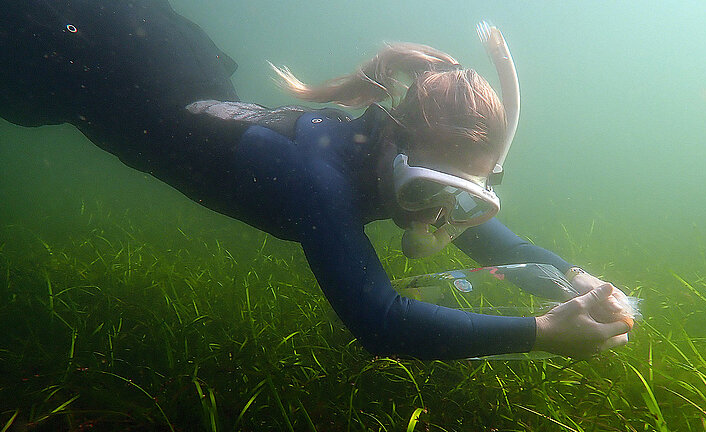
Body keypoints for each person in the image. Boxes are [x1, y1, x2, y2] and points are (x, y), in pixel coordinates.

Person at [1, 0, 631, 360]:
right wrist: (544, 332)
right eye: (428, 193)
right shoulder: (317, 179)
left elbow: (508, 248)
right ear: (391, 143)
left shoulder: (392, 165)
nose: (440, 220)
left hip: (176, 75)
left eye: (463, 201)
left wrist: (581, 279)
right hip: (109, 75)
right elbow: (379, 320)